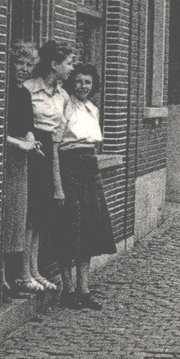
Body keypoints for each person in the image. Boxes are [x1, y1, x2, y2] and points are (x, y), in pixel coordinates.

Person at [50, 63, 116, 310]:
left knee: (89, 228)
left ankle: (84, 289)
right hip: (69, 168)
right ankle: (68, 291)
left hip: (90, 168)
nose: (83, 86)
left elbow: (93, 145)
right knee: (70, 227)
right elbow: (54, 147)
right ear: (71, 83)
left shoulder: (93, 110)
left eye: (87, 82)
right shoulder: (64, 107)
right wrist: (58, 185)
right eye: (78, 81)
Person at [23, 40, 75, 291]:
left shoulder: (63, 96)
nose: (71, 68)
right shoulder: (30, 88)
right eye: (68, 63)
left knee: (40, 216)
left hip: (49, 151)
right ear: (54, 64)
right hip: (30, 148)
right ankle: (23, 272)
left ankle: (34, 269)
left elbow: (59, 133)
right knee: (28, 214)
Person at [4, 41, 42, 297]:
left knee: (17, 220)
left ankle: (14, 276)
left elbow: (28, 123)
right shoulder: (3, 91)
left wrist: (30, 140)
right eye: (20, 63)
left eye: (29, 65)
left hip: (20, 163)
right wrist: (20, 144)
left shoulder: (23, 94)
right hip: (4, 160)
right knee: (4, 218)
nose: (24, 69)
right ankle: (1, 279)